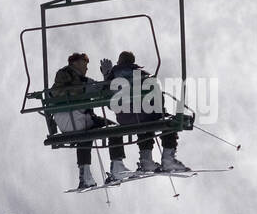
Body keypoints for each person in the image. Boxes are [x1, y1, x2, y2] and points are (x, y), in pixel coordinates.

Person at [100, 50, 190, 173]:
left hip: (124, 119)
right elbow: (156, 95)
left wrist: (107, 76)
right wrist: (161, 113)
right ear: (132, 62)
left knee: (143, 121)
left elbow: (108, 102)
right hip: (143, 116)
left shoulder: (111, 78)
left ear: (119, 62)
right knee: (159, 120)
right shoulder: (141, 75)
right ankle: (165, 159)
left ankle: (146, 160)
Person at [51, 52, 129, 189]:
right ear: (75, 63)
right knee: (114, 130)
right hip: (76, 118)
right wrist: (107, 75)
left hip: (68, 122)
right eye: (84, 63)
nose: (87, 68)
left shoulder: (68, 82)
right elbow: (102, 89)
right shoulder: (76, 80)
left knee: (85, 136)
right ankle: (117, 166)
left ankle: (85, 175)